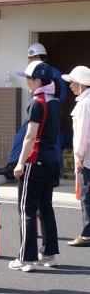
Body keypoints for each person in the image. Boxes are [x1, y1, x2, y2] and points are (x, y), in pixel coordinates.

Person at [9, 61, 61, 272]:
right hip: (51, 161)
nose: (27, 83)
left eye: (28, 79)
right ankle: (48, 255)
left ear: (38, 80)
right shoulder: (55, 101)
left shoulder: (37, 103)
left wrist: (20, 162)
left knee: (27, 209)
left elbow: (30, 136)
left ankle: (25, 259)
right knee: (45, 208)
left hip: (35, 161)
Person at [0, 43, 67, 180]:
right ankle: (12, 165)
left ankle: (57, 171)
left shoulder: (54, 73)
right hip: (36, 111)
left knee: (52, 142)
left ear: (42, 57)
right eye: (31, 58)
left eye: (35, 57)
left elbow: (60, 96)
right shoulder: (32, 72)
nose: (33, 60)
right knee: (20, 137)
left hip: (48, 113)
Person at [61, 66, 90, 247]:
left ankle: (87, 234)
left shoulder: (85, 104)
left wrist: (78, 156)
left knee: (87, 196)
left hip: (87, 159)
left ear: (81, 83)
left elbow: (83, 134)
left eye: (72, 82)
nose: (70, 85)